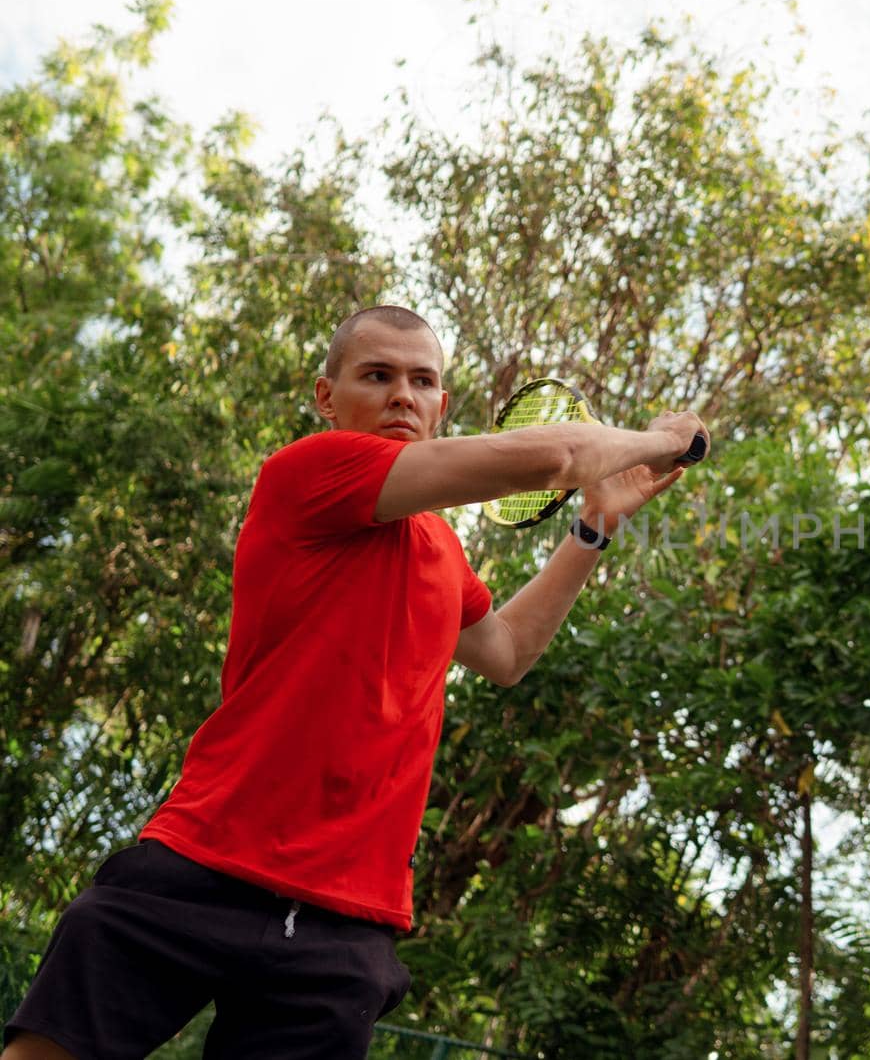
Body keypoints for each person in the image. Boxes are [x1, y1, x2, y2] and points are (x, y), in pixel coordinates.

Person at [3, 305, 709, 1060]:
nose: (403, 394)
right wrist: (666, 439)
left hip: (345, 923)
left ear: (442, 406)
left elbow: (506, 651)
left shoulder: (438, 543)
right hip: (204, 863)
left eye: (422, 380)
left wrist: (592, 527)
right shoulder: (308, 472)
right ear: (326, 396)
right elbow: (560, 457)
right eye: (378, 375)